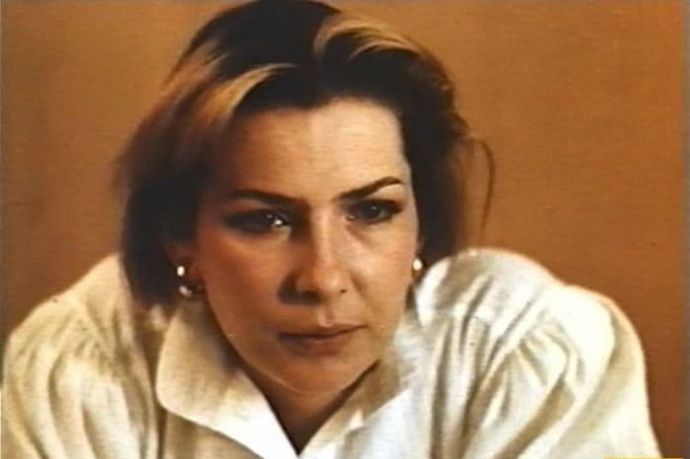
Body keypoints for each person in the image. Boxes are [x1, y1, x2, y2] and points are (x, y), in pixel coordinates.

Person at [2, 1, 660, 458]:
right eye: (265, 220)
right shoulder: (81, 365)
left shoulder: (525, 349)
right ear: (182, 237)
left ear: (421, 224)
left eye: (372, 211)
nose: (323, 277)